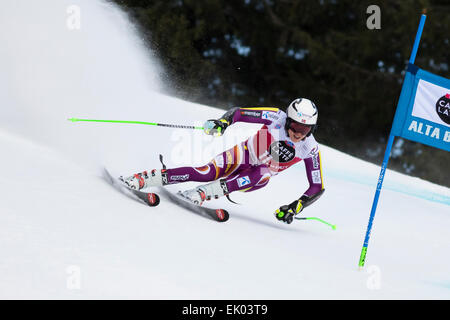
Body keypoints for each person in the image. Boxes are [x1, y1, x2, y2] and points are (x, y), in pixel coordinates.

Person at [122, 98, 325, 224]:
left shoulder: (310, 148)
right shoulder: (276, 117)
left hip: (257, 177)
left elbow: (317, 186)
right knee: (206, 172)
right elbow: (238, 113)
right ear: (288, 120)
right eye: (296, 127)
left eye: (305, 130)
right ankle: (143, 179)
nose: (299, 134)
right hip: (243, 154)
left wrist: (295, 206)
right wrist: (223, 122)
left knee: (263, 172)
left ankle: (201, 193)